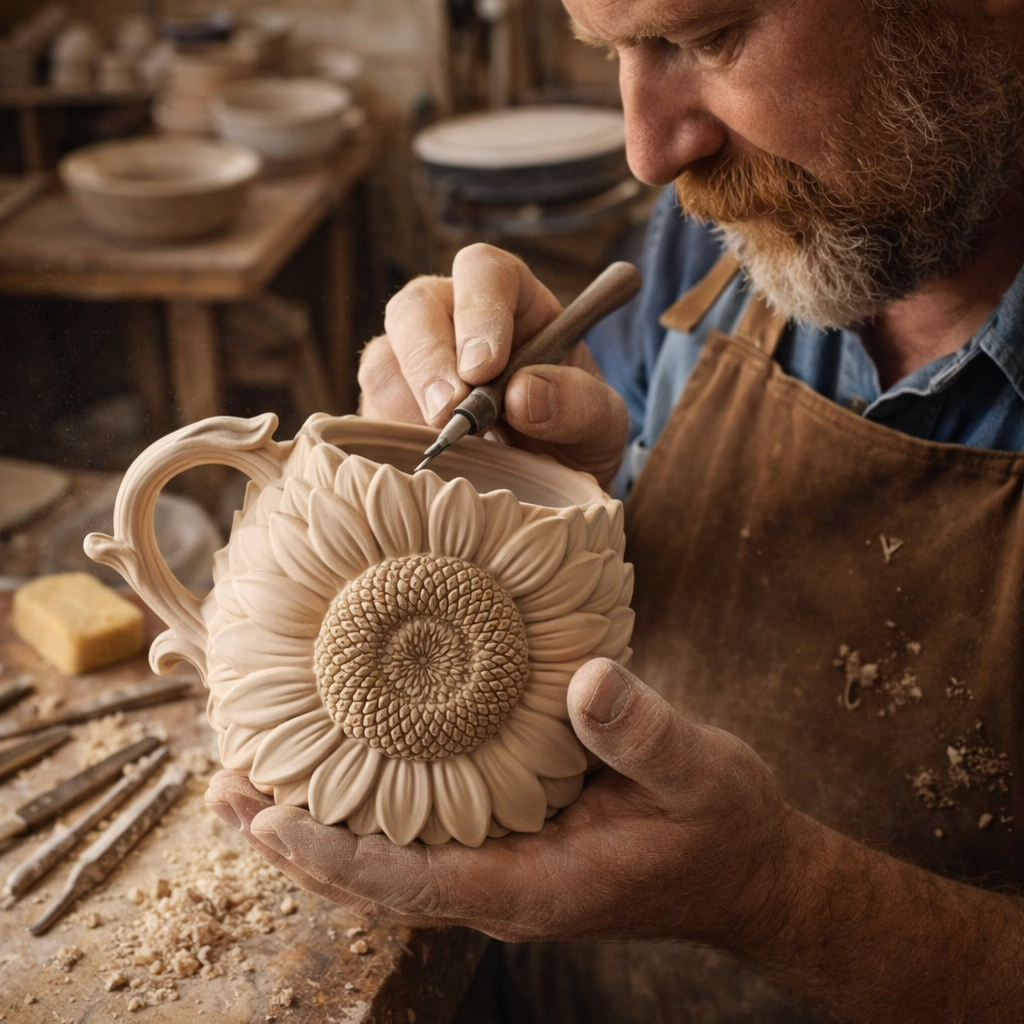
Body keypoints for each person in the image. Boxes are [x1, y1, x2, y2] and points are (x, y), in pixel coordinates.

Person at [205, 1, 1024, 1020]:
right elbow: (619, 589)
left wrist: (773, 893)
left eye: (707, 38)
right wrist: (536, 486)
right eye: (613, 51)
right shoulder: (725, 229)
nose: (650, 153)